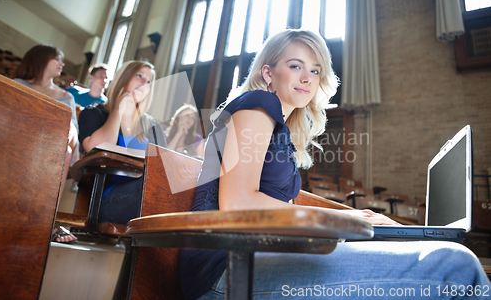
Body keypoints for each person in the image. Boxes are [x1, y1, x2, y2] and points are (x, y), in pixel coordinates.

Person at [179, 29, 491, 299]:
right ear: (268, 72)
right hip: (227, 273)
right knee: (454, 265)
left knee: (435, 260)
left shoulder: (278, 128)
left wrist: (357, 216)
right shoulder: (258, 105)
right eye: (295, 65)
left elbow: (274, 209)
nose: (307, 77)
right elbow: (237, 203)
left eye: (315, 71)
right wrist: (346, 220)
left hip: (255, 260)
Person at [78, 60, 167, 225]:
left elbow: (165, 169)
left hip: (148, 196)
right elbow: (94, 149)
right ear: (124, 77)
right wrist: (119, 109)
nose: (143, 83)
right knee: (152, 187)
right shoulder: (94, 112)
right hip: (109, 201)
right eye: (139, 75)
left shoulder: (153, 126)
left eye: (148, 81)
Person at [13, 44, 78, 243]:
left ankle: (46, 220)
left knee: (66, 145)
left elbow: (74, 130)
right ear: (42, 58)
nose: (62, 63)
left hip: (52, 147)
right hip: (18, 142)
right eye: (57, 58)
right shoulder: (18, 84)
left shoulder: (67, 97)